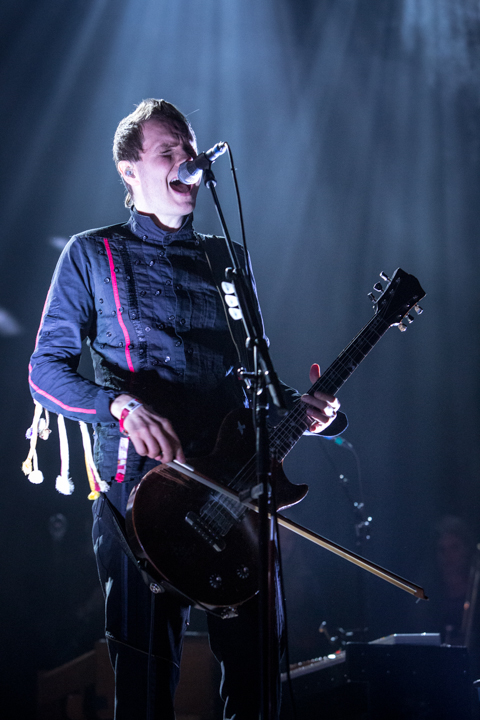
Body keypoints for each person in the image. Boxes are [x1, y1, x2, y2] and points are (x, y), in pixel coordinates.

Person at [28, 99, 344, 719]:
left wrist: (309, 410)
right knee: (145, 686)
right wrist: (119, 405)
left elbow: (256, 381)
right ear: (129, 170)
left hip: (231, 494)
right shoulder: (91, 254)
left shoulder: (228, 259)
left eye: (190, 150)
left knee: (258, 680)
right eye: (167, 151)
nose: (186, 162)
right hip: (139, 495)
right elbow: (45, 371)